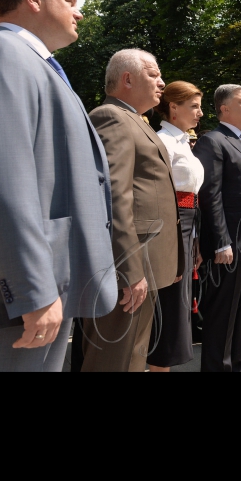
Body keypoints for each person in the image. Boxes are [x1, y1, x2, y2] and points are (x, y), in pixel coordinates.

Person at [0, 0, 117, 372]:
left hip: (40, 295)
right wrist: (32, 290)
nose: (80, 10)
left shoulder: (39, 66)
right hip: (9, 304)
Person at [81, 49, 184, 372]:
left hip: (146, 263)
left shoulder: (133, 120)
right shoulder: (111, 117)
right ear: (127, 79)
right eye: (153, 74)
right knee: (114, 360)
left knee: (133, 356)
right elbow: (114, 196)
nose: (162, 82)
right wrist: (128, 268)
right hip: (131, 267)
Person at [193, 84, 241, 372]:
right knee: (223, 312)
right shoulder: (212, 141)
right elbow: (210, 195)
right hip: (229, 246)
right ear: (224, 108)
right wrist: (221, 242)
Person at [147, 81, 205, 372]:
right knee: (168, 311)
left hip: (186, 228)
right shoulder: (162, 141)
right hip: (170, 230)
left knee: (177, 311)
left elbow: (191, 199)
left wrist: (194, 241)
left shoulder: (182, 142)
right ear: (173, 108)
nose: (200, 113)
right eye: (194, 106)